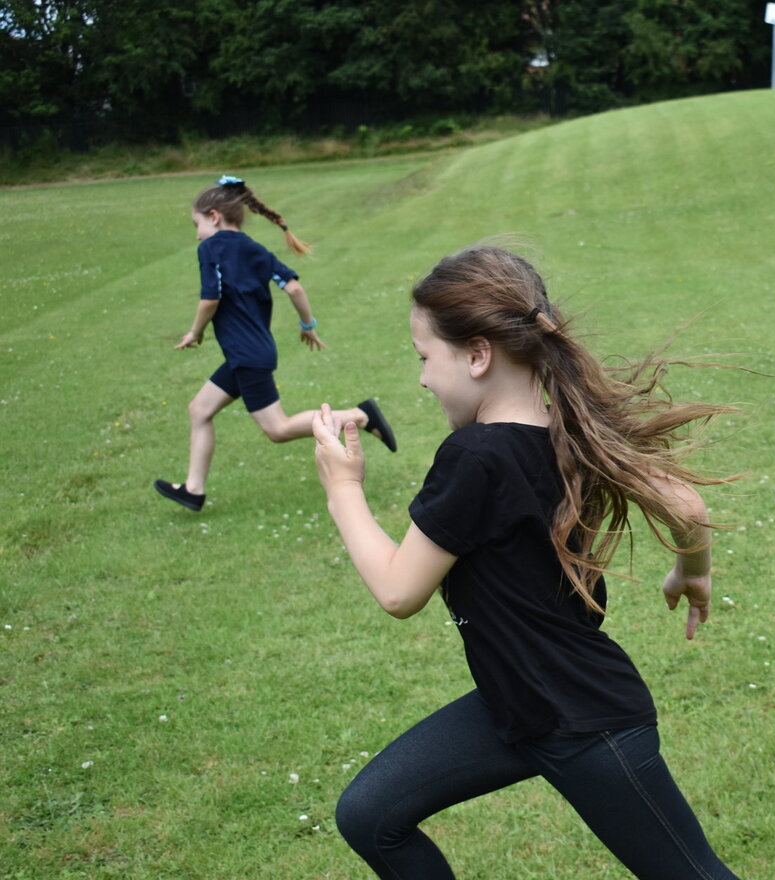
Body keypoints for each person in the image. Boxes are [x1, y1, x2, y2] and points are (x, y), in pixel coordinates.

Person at [311, 244, 743, 879]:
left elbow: (399, 592)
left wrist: (343, 488)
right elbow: (687, 505)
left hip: (584, 721)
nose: (423, 378)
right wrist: (692, 571)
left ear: (479, 354)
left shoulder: (477, 455)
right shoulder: (564, 427)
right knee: (371, 815)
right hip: (515, 703)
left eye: (425, 358)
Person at [154, 175, 395, 511]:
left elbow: (210, 298)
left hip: (247, 355)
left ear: (213, 216)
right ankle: (193, 490)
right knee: (199, 410)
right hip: (250, 352)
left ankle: (359, 416)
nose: (196, 234)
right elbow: (294, 287)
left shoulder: (211, 247)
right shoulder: (256, 249)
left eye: (196, 224)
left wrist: (195, 332)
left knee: (278, 429)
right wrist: (307, 324)